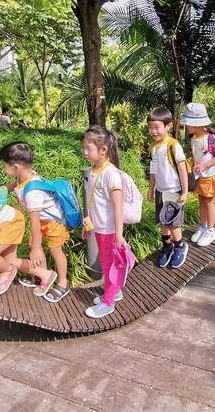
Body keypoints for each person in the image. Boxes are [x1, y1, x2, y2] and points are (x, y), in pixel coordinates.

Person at [0, 142, 68, 301]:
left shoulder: (32, 192)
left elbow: (34, 221)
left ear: (16, 167)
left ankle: (63, 283)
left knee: (55, 250)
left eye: (4, 166)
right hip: (42, 221)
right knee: (33, 244)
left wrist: (37, 248)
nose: (4, 170)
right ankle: (43, 276)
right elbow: (13, 186)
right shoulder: (22, 178)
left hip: (54, 222)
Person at [82, 125, 125, 318]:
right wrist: (88, 223)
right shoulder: (94, 171)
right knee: (107, 263)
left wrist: (119, 235)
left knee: (109, 266)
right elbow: (93, 202)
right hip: (98, 227)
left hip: (109, 230)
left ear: (103, 150)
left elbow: (118, 207)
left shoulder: (111, 174)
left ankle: (108, 302)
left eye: (88, 149)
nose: (85, 152)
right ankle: (114, 292)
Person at [147, 107, 190, 269]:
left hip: (174, 190)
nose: (153, 131)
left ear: (168, 126)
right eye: (151, 127)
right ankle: (167, 247)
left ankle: (180, 246)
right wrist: (151, 188)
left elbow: (182, 169)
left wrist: (184, 191)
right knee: (162, 222)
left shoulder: (173, 145)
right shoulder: (153, 147)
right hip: (160, 191)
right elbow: (153, 170)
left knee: (174, 223)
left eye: (157, 127)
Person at [181, 102, 215, 247]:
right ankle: (203, 226)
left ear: (196, 124)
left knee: (209, 202)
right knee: (202, 201)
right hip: (200, 177)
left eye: (188, 124)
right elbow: (196, 156)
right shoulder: (194, 139)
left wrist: (205, 165)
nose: (186, 127)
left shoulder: (210, 138)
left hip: (210, 176)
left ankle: (211, 230)